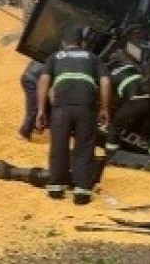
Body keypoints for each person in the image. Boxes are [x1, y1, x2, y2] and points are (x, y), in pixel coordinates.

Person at [35, 26, 111, 205]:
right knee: (84, 147)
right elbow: (106, 81)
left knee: (59, 145)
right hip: (86, 107)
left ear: (63, 43)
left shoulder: (55, 57)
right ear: (82, 43)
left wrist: (40, 110)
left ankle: (56, 188)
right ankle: (82, 192)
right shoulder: (92, 58)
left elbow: (44, 81)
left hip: (61, 107)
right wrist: (105, 108)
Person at [104, 50, 150, 160]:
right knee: (149, 133)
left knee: (114, 128)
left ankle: (110, 156)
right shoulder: (131, 67)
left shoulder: (110, 76)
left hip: (134, 102)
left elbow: (111, 98)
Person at [17, 59, 45, 141]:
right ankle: (24, 133)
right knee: (35, 107)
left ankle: (37, 126)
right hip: (31, 80)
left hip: (32, 77)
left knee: (43, 103)